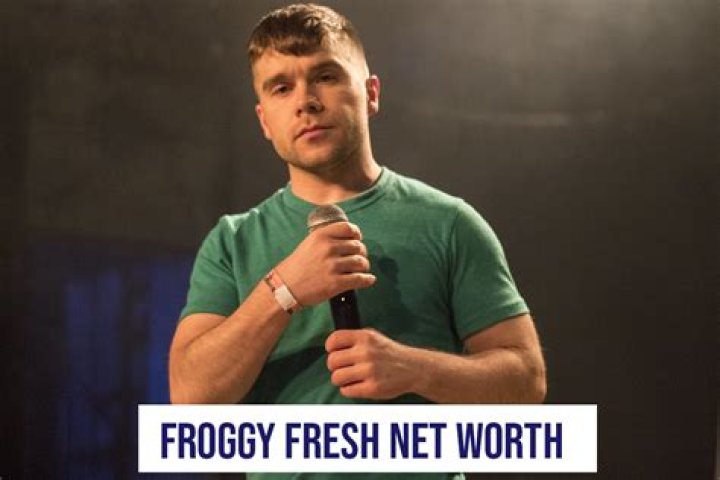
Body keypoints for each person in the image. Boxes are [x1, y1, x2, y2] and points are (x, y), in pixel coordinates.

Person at [170, 0, 544, 422]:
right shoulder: (232, 242)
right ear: (264, 121)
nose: (306, 102)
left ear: (371, 94)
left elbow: (527, 382)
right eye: (281, 88)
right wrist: (283, 290)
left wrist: (416, 369)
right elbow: (188, 396)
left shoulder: (449, 223)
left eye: (325, 77)